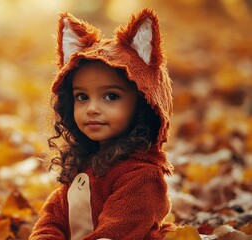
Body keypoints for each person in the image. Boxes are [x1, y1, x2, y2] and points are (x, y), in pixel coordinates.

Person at [29, 8, 176, 240]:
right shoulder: (84, 166)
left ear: (142, 103)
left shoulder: (142, 177)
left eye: (110, 96)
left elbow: (115, 232)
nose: (92, 108)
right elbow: (53, 219)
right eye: (82, 97)